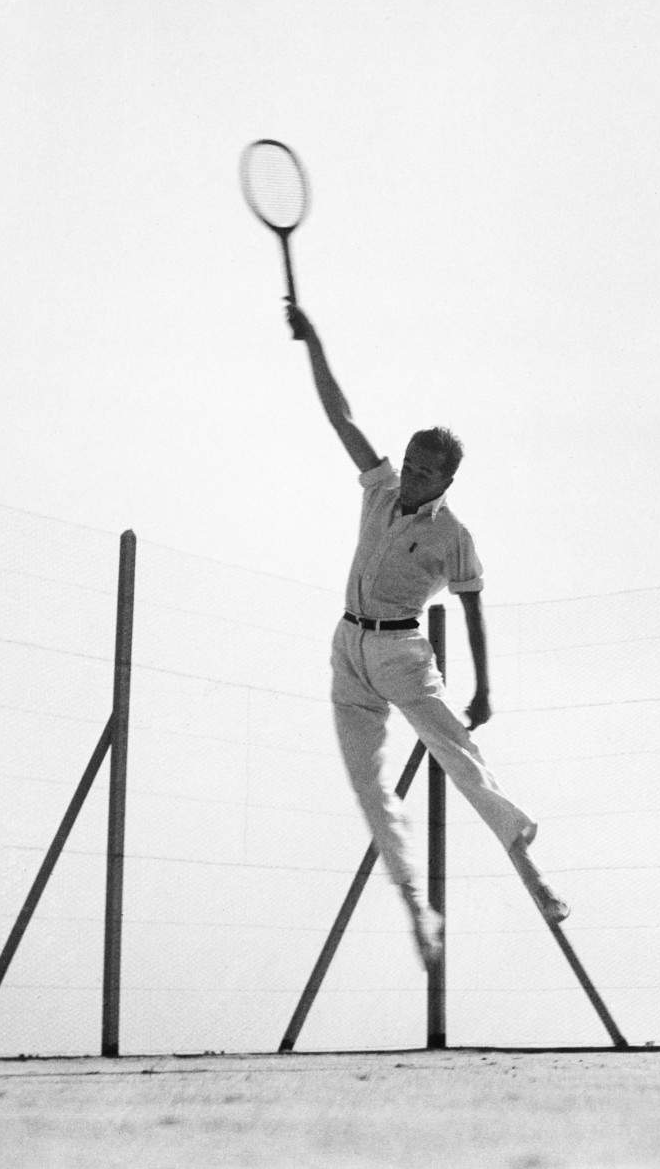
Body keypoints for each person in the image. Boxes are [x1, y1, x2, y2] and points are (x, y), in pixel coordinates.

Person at [286, 302, 569, 969]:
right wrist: (315, 339)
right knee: (367, 785)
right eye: (409, 462)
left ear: (446, 479)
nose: (409, 475)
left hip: (403, 652)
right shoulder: (381, 489)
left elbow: (472, 607)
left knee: (461, 760)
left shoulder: (453, 536)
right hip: (348, 648)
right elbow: (340, 416)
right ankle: (417, 907)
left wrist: (485, 687)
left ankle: (535, 877)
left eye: (423, 470)